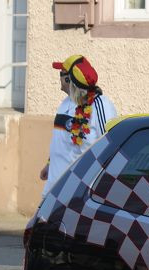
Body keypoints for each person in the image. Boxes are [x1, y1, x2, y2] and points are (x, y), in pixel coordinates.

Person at [40, 55, 117, 194]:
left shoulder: (100, 105)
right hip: (52, 189)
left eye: (61, 74)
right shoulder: (64, 103)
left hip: (77, 192)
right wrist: (49, 164)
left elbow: (110, 144)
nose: (59, 79)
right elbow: (60, 140)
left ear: (69, 79)